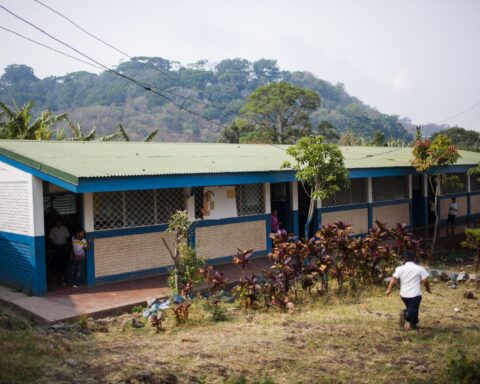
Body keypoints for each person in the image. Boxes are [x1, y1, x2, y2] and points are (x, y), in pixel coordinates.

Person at [386, 251, 431, 330]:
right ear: (414, 259)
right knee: (413, 311)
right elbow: (425, 281)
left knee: (412, 309)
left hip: (403, 294)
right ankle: (405, 315)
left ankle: (413, 324)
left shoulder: (400, 269)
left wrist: (389, 289)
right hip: (415, 295)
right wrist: (427, 289)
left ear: (404, 260)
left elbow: (394, 279)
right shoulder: (419, 269)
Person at [48, 218, 70, 284]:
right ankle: (56, 277)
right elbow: (51, 240)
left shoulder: (64, 228)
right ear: (56, 223)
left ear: (61, 222)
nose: (58, 223)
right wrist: (49, 248)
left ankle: (63, 278)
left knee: (63, 261)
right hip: (56, 247)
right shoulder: (53, 229)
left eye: (59, 221)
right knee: (56, 261)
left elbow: (67, 238)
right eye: (57, 222)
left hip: (63, 247)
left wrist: (67, 246)